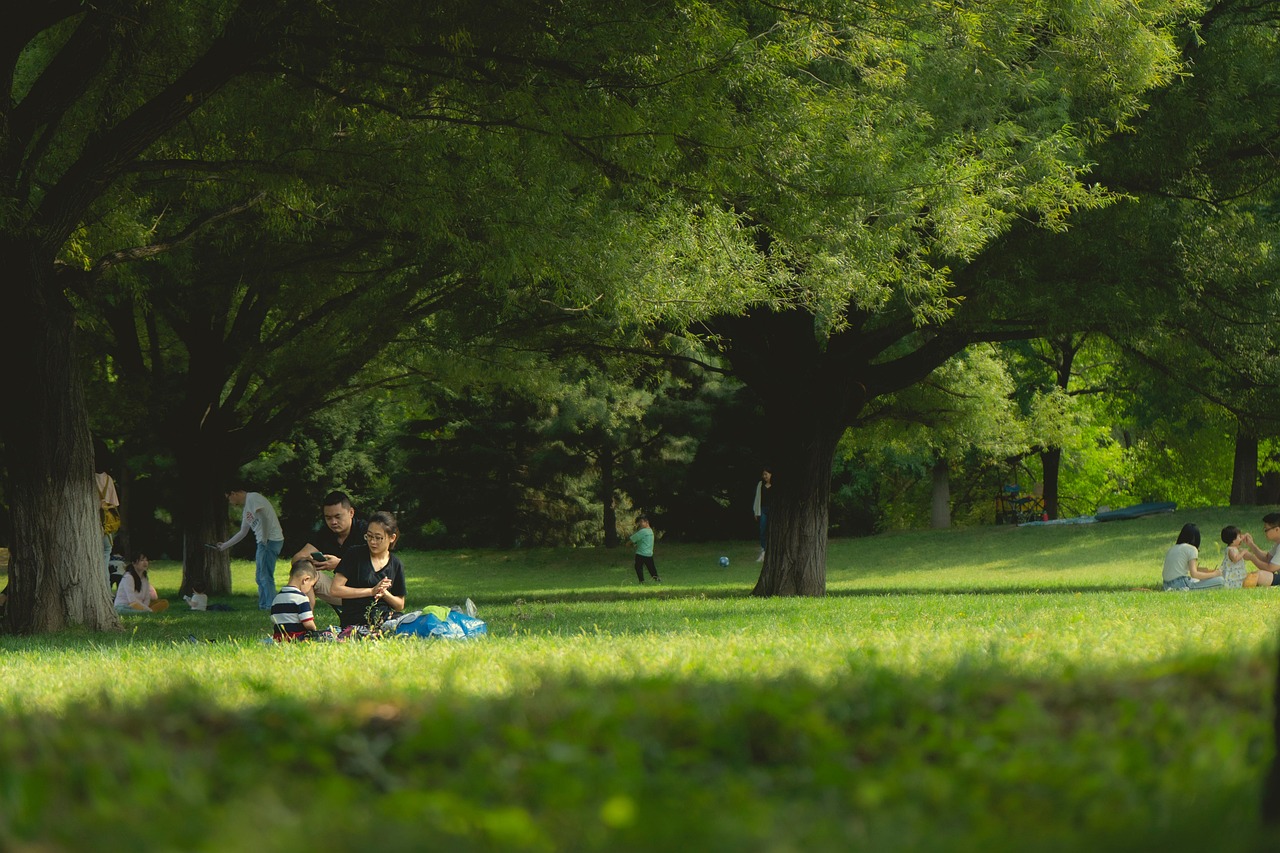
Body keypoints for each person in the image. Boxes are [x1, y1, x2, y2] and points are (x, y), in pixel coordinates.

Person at [289, 491, 366, 613]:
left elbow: (376, 565)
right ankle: (305, 623)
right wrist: (310, 561)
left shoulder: (366, 532)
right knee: (304, 572)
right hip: (340, 590)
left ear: (351, 513)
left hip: (368, 592)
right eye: (328, 518)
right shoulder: (325, 533)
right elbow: (297, 559)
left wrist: (341, 564)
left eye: (338, 516)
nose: (333, 522)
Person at [210, 486, 285, 611]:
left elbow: (265, 518)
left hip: (270, 541)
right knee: (260, 576)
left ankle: (271, 606)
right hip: (263, 542)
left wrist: (265, 539)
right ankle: (263, 606)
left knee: (265, 575)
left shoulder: (253, 497)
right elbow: (242, 532)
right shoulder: (246, 511)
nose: (230, 502)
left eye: (229, 498)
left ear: (233, 493)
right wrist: (224, 546)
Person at [329, 510, 407, 627]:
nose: (372, 542)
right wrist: (371, 591)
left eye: (378, 538)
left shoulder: (395, 564)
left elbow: (400, 605)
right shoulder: (354, 554)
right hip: (356, 618)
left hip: (384, 617)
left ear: (392, 538)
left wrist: (384, 593)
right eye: (369, 536)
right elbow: (335, 589)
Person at [1162, 523, 1224, 591]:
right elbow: (1194, 574)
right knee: (1220, 581)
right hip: (1181, 584)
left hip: (1166, 584)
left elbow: (1191, 568)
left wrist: (1209, 571)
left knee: (1195, 580)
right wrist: (1214, 574)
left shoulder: (1173, 548)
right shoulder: (1192, 549)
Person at [271, 561, 320, 641]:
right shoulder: (301, 598)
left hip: (278, 638)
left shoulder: (277, 598)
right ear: (305, 580)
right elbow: (308, 623)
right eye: (311, 585)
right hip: (297, 637)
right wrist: (315, 631)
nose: (309, 589)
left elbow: (274, 620)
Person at [95, 446, 121, 582]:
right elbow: (115, 504)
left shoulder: (88, 479)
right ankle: (105, 590)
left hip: (92, 526)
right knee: (105, 557)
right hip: (107, 527)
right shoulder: (108, 479)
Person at [1237, 512, 1280, 587]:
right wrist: (1251, 544)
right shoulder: (1278, 543)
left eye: (1266, 529)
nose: (1265, 532)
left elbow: (1270, 568)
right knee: (1258, 575)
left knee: (1260, 575)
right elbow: (1267, 558)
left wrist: (1251, 557)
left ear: (1277, 529)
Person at [628, 515, 660, 583]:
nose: (640, 524)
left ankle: (641, 581)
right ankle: (657, 579)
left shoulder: (642, 531)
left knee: (638, 567)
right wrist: (637, 544)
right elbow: (644, 541)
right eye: (639, 522)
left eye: (642, 522)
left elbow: (632, 539)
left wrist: (628, 544)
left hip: (641, 553)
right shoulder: (650, 531)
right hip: (649, 554)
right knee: (651, 568)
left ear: (647, 522)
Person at [752, 467, 772, 562]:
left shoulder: (775, 485)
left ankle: (772, 551)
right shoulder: (760, 484)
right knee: (762, 529)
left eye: (766, 474)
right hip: (763, 509)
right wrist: (756, 511)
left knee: (772, 530)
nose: (764, 476)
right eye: (763, 474)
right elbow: (757, 498)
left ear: (771, 474)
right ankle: (764, 551)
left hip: (773, 510)